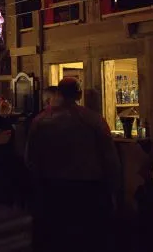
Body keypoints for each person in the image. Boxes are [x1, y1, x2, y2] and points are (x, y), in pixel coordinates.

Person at [25, 77, 121, 251]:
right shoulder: (93, 120)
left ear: (58, 93)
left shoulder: (40, 121)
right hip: (88, 191)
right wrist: (113, 190)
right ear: (79, 94)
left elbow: (31, 159)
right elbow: (110, 158)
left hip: (51, 190)